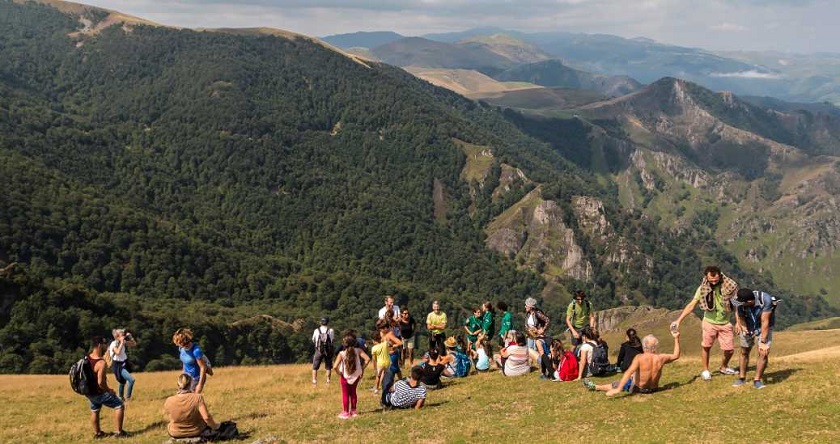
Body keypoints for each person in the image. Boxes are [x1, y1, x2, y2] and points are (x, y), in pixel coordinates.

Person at [672, 265, 739, 381]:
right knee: (706, 347)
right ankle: (705, 370)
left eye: (716, 279)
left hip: (725, 323)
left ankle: (724, 367)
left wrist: (738, 322)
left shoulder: (730, 286)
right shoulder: (702, 288)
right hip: (709, 322)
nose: (713, 282)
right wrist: (679, 320)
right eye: (711, 279)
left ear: (720, 275)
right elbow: (692, 304)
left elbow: (737, 305)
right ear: (706, 277)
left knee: (729, 349)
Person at [585, 330, 681, 397]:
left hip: (640, 389)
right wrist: (676, 338)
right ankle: (599, 386)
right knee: (633, 376)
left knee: (617, 383)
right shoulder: (661, 358)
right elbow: (676, 355)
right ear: (655, 347)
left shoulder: (639, 358)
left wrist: (618, 390)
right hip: (654, 389)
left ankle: (596, 387)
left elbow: (627, 372)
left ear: (644, 347)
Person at [731, 288, 778, 389]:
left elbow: (765, 322)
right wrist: (744, 329)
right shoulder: (740, 300)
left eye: (742, 303)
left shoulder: (765, 299)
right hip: (748, 323)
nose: (739, 304)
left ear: (749, 301)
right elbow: (741, 316)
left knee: (763, 352)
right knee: (744, 351)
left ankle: (757, 380)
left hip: (764, 325)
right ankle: (742, 378)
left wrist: (763, 342)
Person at [85, 336, 127, 439]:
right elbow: (100, 382)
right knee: (119, 405)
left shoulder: (87, 358)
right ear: (99, 345)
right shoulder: (101, 363)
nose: (106, 346)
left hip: (89, 392)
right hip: (99, 392)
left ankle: (98, 434)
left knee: (95, 409)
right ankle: (119, 432)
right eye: (104, 344)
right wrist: (109, 390)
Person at [164, 373, 221, 439]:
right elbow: (206, 417)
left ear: (178, 385)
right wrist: (215, 427)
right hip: (196, 431)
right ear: (190, 384)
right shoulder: (197, 398)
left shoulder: (169, 400)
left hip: (175, 432)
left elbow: (170, 417)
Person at [332, 332, 371, 419]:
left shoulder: (341, 353)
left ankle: (345, 412)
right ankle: (353, 411)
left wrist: (339, 373)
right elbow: (368, 359)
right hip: (356, 375)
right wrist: (362, 368)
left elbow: (334, 366)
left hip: (345, 376)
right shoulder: (359, 350)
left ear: (344, 343)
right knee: (353, 393)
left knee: (345, 394)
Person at [172, 328, 209, 394]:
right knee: (182, 398)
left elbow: (203, 367)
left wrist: (200, 385)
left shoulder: (196, 351)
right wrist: (182, 378)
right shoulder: (181, 348)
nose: (176, 344)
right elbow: (184, 363)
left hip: (195, 379)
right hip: (186, 378)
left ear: (184, 342)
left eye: (178, 342)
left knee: (192, 400)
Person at [524, 297, 551, 377]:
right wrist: (528, 331)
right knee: (529, 351)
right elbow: (527, 325)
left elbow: (547, 320)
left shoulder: (537, 313)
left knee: (539, 352)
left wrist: (542, 330)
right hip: (530, 335)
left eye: (526, 305)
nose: (525, 307)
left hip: (538, 335)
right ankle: (531, 367)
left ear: (530, 307)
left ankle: (544, 368)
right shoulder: (528, 314)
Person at [109, 328, 137, 402]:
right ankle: (128, 398)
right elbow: (117, 352)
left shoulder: (123, 342)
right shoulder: (113, 344)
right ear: (117, 336)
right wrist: (121, 342)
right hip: (117, 365)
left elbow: (134, 344)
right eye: (122, 334)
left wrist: (130, 337)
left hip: (123, 363)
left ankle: (120, 397)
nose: (124, 335)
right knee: (131, 380)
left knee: (122, 381)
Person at [310, 317, 335, 385]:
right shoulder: (331, 330)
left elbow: (313, 339)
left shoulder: (316, 330)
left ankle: (314, 382)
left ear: (321, 322)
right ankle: (328, 381)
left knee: (315, 367)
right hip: (328, 351)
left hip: (318, 350)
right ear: (327, 322)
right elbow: (332, 340)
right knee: (328, 367)